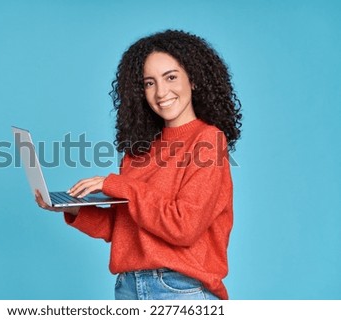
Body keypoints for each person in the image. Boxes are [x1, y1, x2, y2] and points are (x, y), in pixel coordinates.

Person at [35, 29, 242, 300]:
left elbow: (184, 226)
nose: (161, 92)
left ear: (193, 80)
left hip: (180, 289)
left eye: (171, 77)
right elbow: (125, 228)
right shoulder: (138, 151)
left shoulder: (208, 141)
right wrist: (74, 209)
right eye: (149, 83)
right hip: (128, 287)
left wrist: (118, 185)